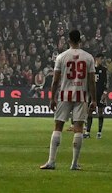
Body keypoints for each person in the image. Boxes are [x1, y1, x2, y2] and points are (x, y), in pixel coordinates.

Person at [40, 29, 95, 171]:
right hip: (81, 95)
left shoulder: (61, 57)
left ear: (69, 40)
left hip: (64, 95)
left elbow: (55, 80)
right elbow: (91, 82)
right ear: (80, 40)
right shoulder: (88, 57)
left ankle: (51, 161)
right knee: (78, 128)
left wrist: (52, 97)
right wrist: (93, 100)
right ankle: (74, 164)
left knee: (58, 126)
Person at [86, 57, 111, 138]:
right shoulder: (91, 69)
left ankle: (99, 132)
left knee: (100, 112)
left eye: (102, 59)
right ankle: (87, 132)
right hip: (92, 93)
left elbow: (107, 82)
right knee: (89, 111)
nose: (101, 60)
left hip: (100, 94)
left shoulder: (104, 70)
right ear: (96, 59)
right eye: (100, 59)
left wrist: (105, 92)